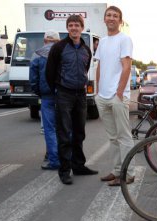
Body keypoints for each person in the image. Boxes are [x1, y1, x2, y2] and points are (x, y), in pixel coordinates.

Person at [46, 15, 98, 185]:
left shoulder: (86, 49)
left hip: (80, 95)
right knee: (64, 133)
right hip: (64, 94)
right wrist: (58, 89)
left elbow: (85, 68)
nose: (74, 28)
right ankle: (64, 170)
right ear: (67, 28)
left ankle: (79, 166)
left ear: (82, 27)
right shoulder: (58, 48)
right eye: (71, 25)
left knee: (79, 132)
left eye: (77, 25)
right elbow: (50, 72)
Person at [94, 6, 135, 186]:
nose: (111, 18)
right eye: (109, 15)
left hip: (117, 96)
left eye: (115, 16)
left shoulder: (124, 39)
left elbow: (126, 67)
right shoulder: (102, 41)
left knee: (124, 137)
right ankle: (117, 170)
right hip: (102, 96)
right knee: (113, 138)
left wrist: (119, 93)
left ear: (120, 21)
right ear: (104, 19)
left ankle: (128, 173)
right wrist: (97, 91)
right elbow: (100, 66)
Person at [30, 30, 61, 170]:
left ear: (44, 41)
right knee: (65, 127)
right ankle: (67, 158)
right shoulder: (64, 52)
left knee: (50, 129)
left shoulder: (36, 54)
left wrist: (40, 92)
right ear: (58, 41)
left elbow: (33, 79)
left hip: (47, 97)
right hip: (63, 96)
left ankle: (54, 161)